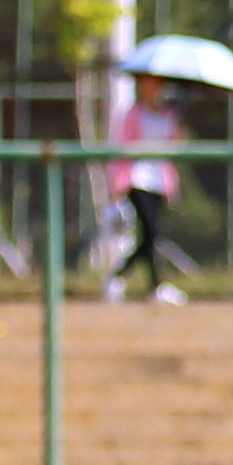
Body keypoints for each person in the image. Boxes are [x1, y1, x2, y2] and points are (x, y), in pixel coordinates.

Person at [96, 67, 189, 304]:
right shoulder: (133, 115)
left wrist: (180, 137)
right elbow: (122, 150)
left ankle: (150, 286)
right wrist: (116, 183)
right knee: (151, 232)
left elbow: (173, 148)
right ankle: (124, 277)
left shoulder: (169, 116)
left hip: (160, 181)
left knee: (151, 236)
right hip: (137, 179)